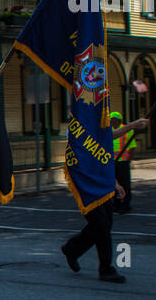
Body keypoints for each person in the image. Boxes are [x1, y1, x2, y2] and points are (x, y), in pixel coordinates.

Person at [62, 117, 149, 283]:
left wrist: (115, 183)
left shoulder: (95, 129)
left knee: (104, 224)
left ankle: (72, 249)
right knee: (101, 226)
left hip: (102, 183)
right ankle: (106, 269)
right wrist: (132, 126)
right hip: (85, 185)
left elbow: (104, 158)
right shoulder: (78, 129)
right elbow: (108, 137)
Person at [110, 110, 138, 213]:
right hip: (111, 162)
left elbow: (132, 147)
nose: (111, 122)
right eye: (110, 120)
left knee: (125, 184)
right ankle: (116, 204)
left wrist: (129, 160)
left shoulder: (127, 130)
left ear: (118, 121)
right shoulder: (108, 130)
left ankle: (125, 204)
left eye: (113, 120)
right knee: (113, 185)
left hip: (123, 161)